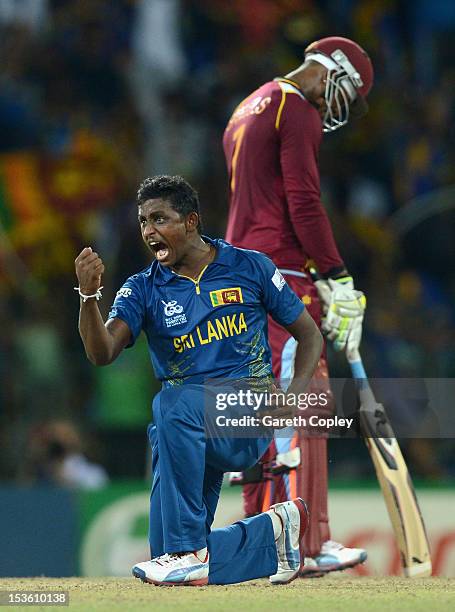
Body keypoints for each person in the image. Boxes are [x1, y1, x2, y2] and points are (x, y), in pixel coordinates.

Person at [75, 174, 323, 586]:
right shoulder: (141, 289)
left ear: (191, 221)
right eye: (142, 222)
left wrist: (295, 394)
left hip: (246, 410)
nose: (149, 231)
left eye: (159, 219)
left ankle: (188, 549)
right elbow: (102, 353)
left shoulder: (250, 266)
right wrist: (88, 298)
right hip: (188, 429)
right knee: (166, 563)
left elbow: (309, 334)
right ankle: (274, 535)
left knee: (170, 405)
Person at [223, 36, 372, 576]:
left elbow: (261, 201)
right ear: (332, 71)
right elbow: (302, 201)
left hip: (241, 276)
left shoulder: (249, 105)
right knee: (296, 406)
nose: (341, 111)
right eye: (347, 96)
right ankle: (296, 546)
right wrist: (336, 274)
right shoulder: (298, 106)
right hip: (279, 273)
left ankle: (271, 543)